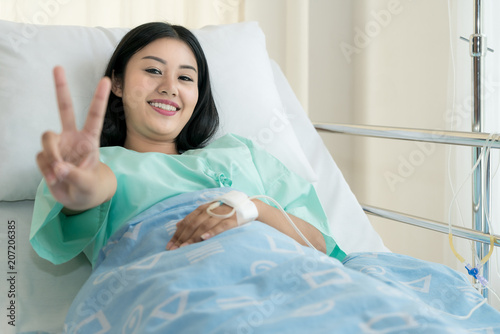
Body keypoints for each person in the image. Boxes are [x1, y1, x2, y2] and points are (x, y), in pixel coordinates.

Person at [30, 22, 345, 268]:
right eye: (153, 70)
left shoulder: (241, 153)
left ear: (198, 95)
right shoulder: (102, 165)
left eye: (185, 78)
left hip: (295, 282)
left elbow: (318, 246)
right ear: (118, 82)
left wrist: (252, 208)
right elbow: (93, 188)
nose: (169, 88)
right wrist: (81, 194)